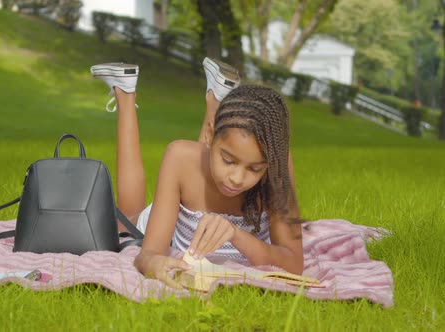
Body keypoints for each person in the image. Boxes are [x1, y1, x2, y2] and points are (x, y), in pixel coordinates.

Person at [90, 58, 303, 289]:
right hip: (173, 216)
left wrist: (235, 234)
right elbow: (147, 254)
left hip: (197, 181)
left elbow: (294, 264)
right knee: (127, 222)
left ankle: (216, 99)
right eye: (229, 161)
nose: (237, 178)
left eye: (254, 169)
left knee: (209, 159)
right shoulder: (179, 156)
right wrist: (154, 263)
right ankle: (125, 93)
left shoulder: (277, 164)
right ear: (210, 135)